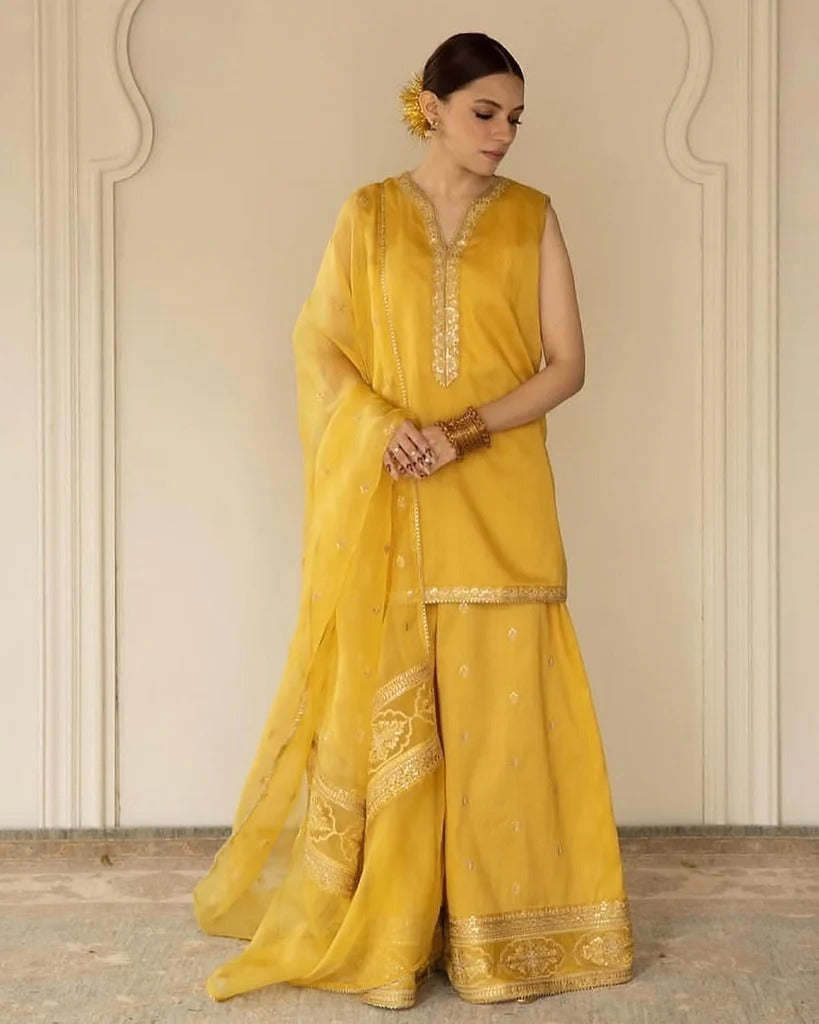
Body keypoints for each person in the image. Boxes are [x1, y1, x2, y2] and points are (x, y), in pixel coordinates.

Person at [193, 31, 633, 1009]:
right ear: (429, 108)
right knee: (399, 709)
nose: (504, 132)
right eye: (485, 111)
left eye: (515, 117)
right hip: (392, 494)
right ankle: (396, 930)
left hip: (500, 494)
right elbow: (320, 345)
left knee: (502, 718)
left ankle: (504, 938)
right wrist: (388, 428)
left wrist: (460, 432)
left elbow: (566, 365)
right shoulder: (367, 215)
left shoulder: (532, 217)